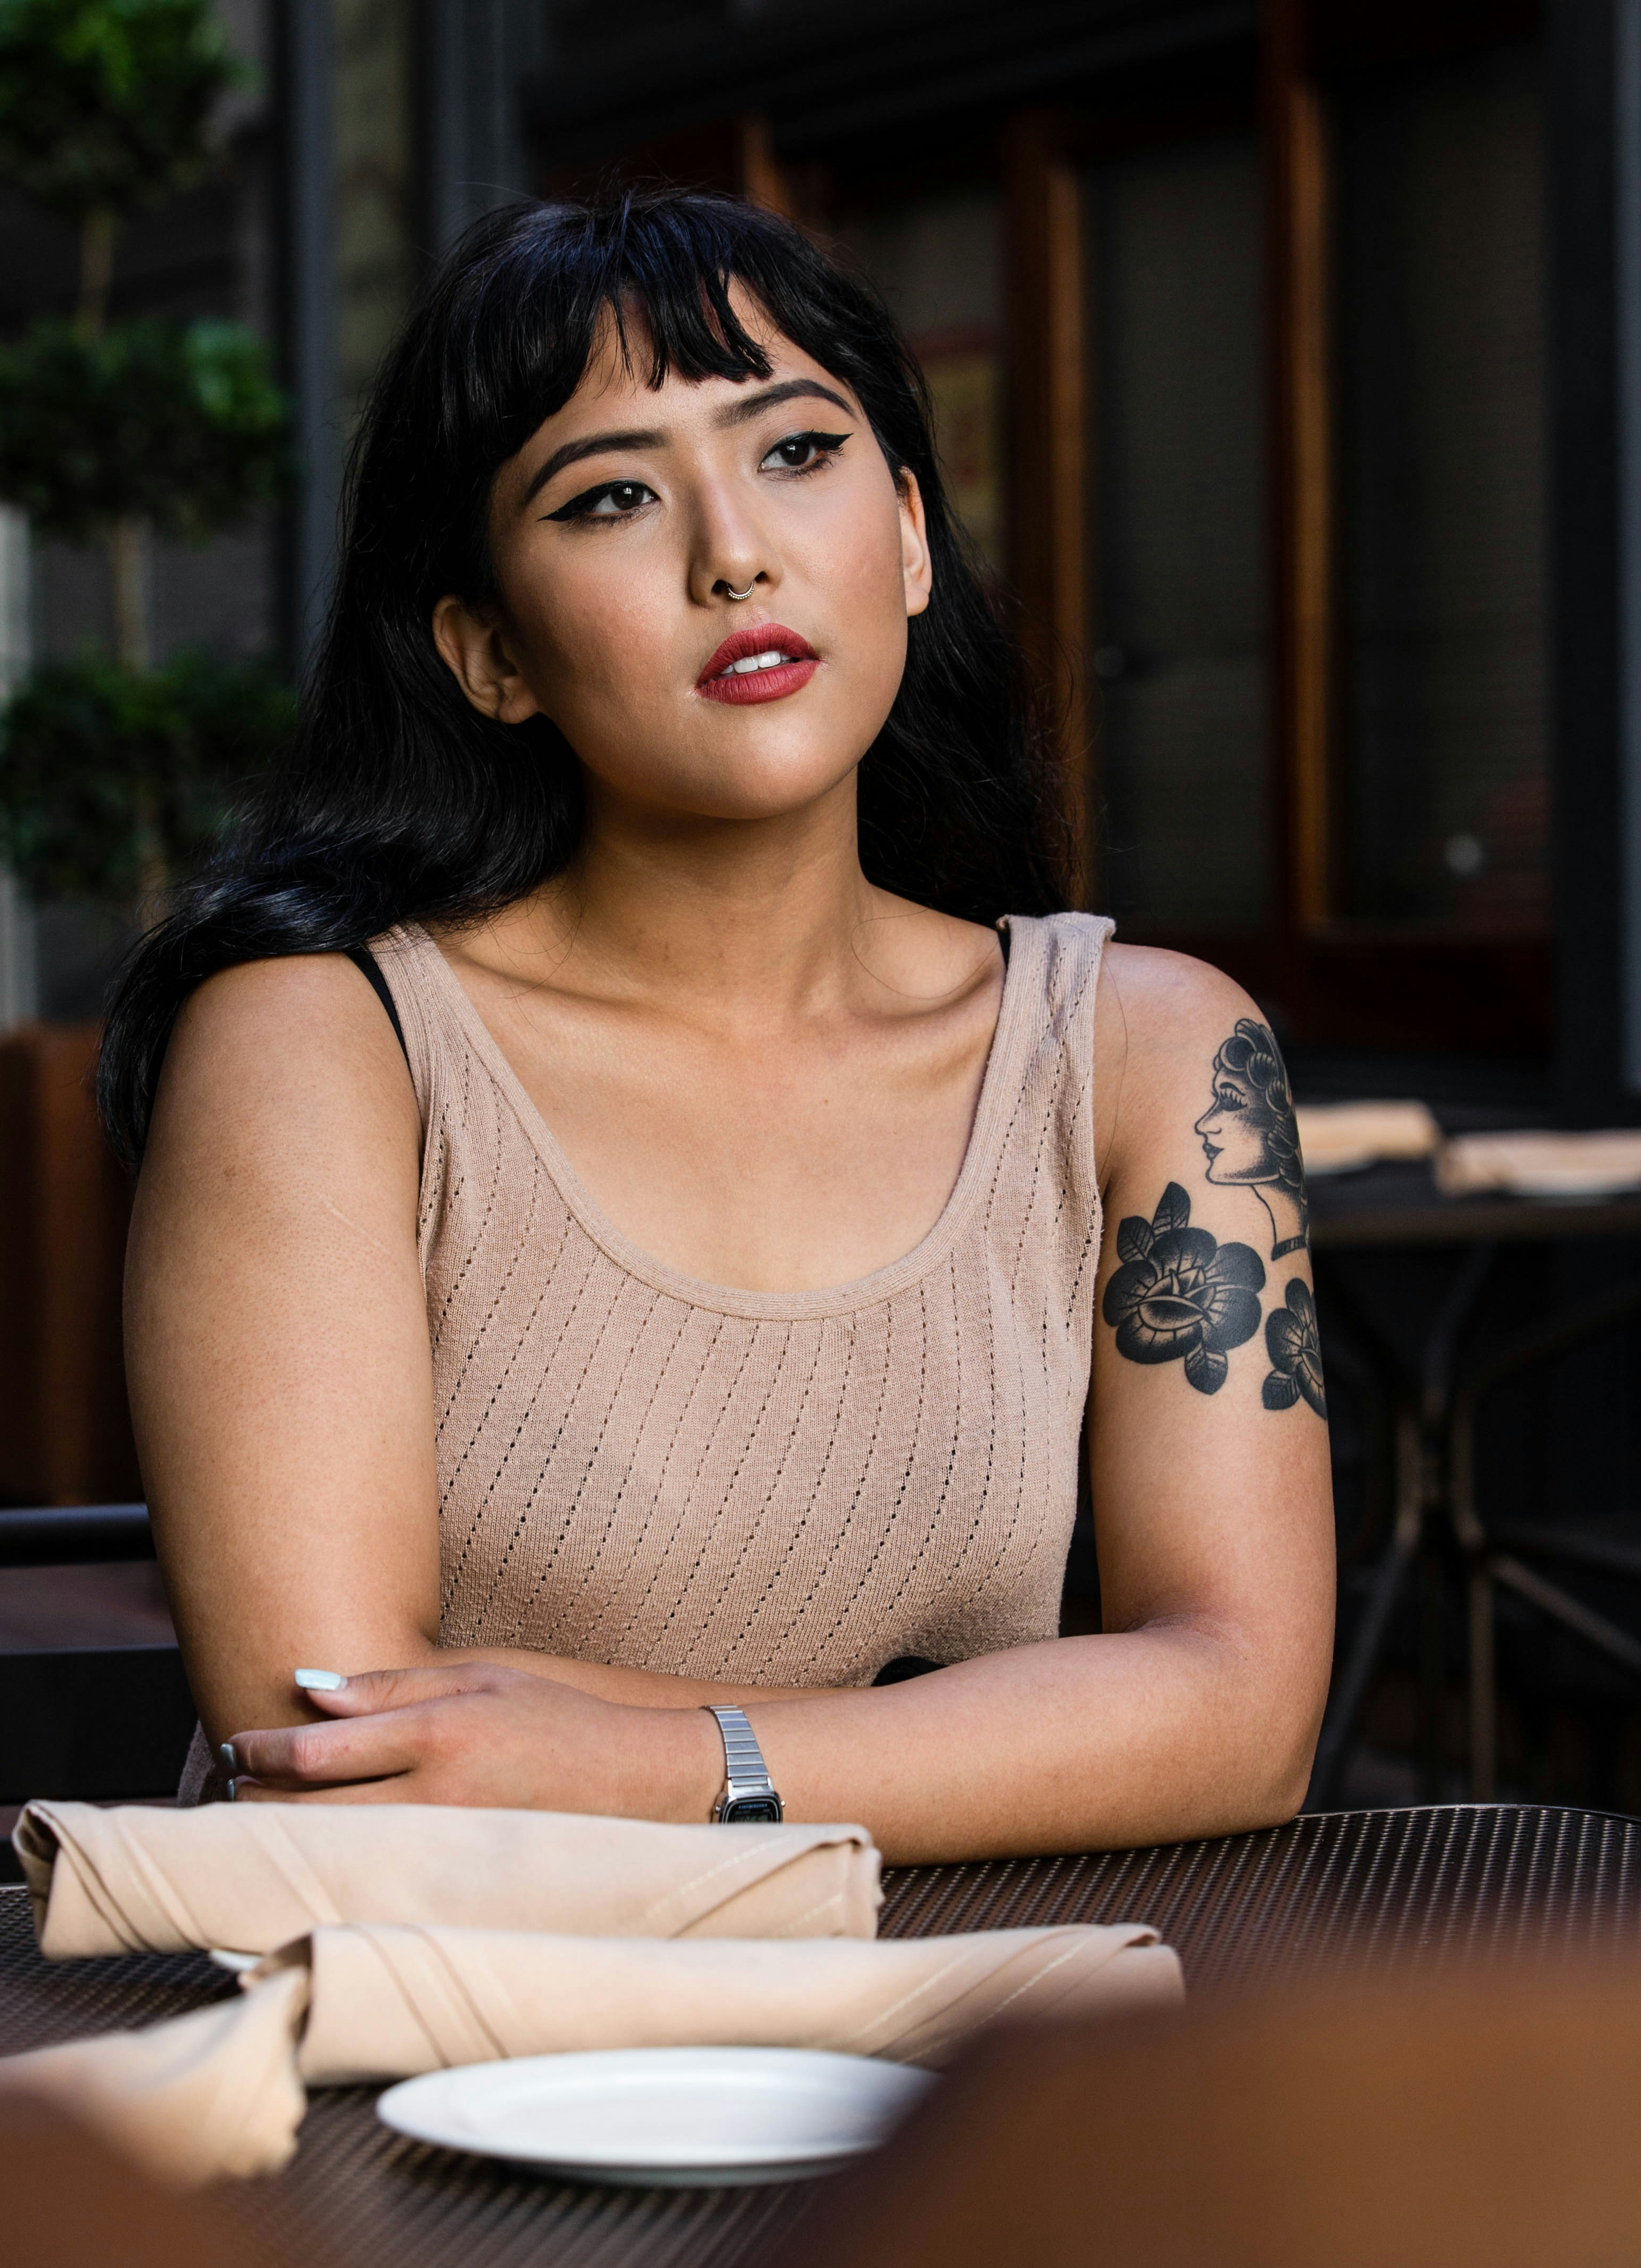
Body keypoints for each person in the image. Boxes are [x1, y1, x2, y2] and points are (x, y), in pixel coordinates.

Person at [102, 190, 1334, 1865]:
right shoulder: (327, 1040)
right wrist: (1001, 1731)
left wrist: (655, 1760)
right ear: (489, 655)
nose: (731, 550)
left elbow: (1245, 1714)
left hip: (968, 2042)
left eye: (796, 453)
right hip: (450, 2033)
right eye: (612, 496)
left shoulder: (1146, 1051)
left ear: (908, 536)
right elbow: (339, 1741)